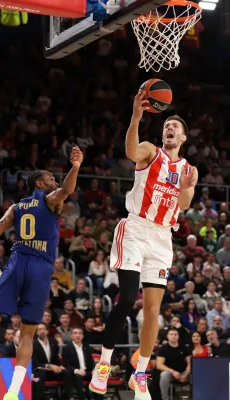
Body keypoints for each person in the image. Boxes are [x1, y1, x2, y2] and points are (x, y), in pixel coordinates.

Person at [0, 147, 83, 400]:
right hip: (41, 266)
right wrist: (75, 168)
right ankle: (13, 391)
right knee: (28, 333)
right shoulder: (50, 199)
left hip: (18, 260)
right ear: (41, 183)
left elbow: (0, 225)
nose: (54, 179)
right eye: (51, 177)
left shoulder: (18, 206)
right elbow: (67, 190)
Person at [90, 90, 197, 400]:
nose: (170, 128)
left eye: (175, 126)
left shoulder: (188, 169)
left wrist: (187, 188)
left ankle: (141, 375)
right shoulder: (151, 151)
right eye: (167, 125)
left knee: (153, 312)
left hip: (163, 238)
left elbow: (185, 204)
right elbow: (130, 151)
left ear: (184, 137)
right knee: (126, 300)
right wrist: (136, 117)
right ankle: (105, 366)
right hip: (136, 228)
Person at [156, 328, 192, 400]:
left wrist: (186, 374)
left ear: (178, 336)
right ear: (167, 336)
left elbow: (189, 363)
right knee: (164, 375)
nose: (173, 336)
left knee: (195, 373)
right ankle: (165, 398)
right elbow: (159, 365)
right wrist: (173, 372)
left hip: (184, 372)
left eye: (175, 334)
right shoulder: (163, 349)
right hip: (171, 373)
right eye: (171, 334)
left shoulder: (185, 347)